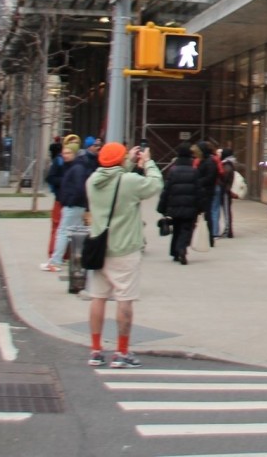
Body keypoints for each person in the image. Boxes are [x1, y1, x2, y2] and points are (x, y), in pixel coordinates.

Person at [84, 142, 163, 368]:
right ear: (119, 161)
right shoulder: (129, 182)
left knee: (98, 298)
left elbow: (115, 178)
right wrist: (147, 161)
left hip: (99, 249)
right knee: (124, 300)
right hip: (125, 249)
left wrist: (126, 161)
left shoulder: (92, 182)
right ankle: (121, 352)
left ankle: (96, 349)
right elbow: (155, 185)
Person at [41, 143, 84, 272]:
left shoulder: (76, 168)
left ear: (75, 154)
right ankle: (78, 262)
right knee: (77, 233)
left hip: (73, 205)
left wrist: (69, 201)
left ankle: (56, 262)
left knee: (63, 232)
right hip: (74, 205)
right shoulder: (73, 166)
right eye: (64, 153)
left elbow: (79, 188)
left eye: (68, 153)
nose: (65, 155)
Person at [157, 143, 201, 264]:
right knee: (186, 229)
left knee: (176, 228)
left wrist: (162, 206)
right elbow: (198, 190)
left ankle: (175, 252)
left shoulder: (173, 171)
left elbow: (167, 189)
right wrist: (200, 207)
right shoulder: (194, 171)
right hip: (190, 206)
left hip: (174, 206)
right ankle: (182, 249)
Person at [192, 142, 219, 246]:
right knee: (205, 215)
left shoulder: (209, 162)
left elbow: (210, 178)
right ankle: (206, 237)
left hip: (207, 192)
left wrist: (197, 181)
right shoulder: (204, 161)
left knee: (207, 215)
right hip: (204, 192)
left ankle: (210, 237)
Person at [44, 139, 65, 256]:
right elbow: (50, 178)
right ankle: (53, 252)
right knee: (57, 226)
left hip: (65, 199)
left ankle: (62, 253)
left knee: (62, 228)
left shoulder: (62, 161)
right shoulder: (58, 161)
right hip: (59, 199)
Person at [218, 147, 238, 238]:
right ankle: (228, 230)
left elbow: (224, 179)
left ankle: (228, 230)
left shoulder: (227, 165)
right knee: (227, 211)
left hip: (226, 191)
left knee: (226, 211)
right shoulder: (229, 164)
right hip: (227, 190)